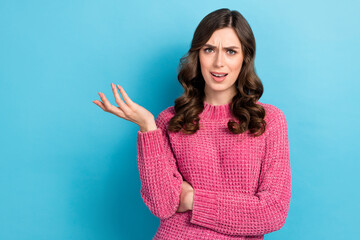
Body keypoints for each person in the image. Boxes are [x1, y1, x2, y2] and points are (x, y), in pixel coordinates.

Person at [93, 8, 291, 240]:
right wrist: (148, 128)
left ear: (244, 58)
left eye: (230, 51)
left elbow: (272, 212)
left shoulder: (269, 121)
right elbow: (162, 205)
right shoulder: (169, 120)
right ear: (197, 55)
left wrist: (191, 200)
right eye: (209, 49)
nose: (219, 62)